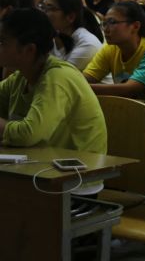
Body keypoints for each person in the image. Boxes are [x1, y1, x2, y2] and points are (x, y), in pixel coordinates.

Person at [0, 9, 107, 154]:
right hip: (40, 161)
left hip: (80, 166)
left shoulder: (58, 77)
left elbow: (28, 135)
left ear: (29, 50)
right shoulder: (21, 77)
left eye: (2, 42)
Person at [83, 1, 145, 97]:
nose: (105, 29)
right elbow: (86, 78)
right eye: (104, 23)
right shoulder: (110, 49)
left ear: (135, 26)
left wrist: (81, 87)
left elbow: (131, 89)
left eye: (112, 22)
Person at [43, 0, 104, 72]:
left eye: (50, 8)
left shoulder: (87, 43)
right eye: (42, 7)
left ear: (70, 17)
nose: (42, 12)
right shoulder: (53, 36)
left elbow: (60, 75)